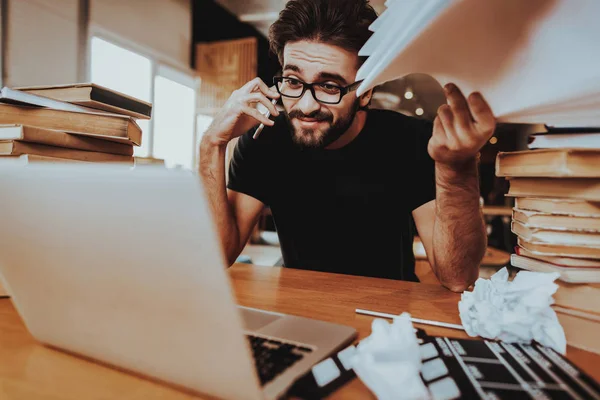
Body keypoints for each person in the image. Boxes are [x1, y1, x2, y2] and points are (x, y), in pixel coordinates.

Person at [198, 0, 496, 292]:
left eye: (329, 86)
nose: (305, 105)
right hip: (300, 308)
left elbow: (457, 277)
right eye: (292, 81)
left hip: (389, 314)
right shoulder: (264, 141)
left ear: (365, 93)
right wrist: (212, 143)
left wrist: (456, 169)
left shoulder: (412, 140)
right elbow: (217, 255)